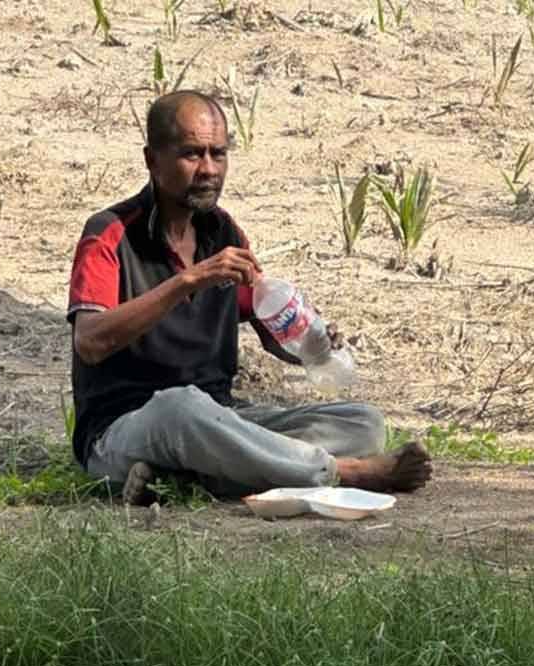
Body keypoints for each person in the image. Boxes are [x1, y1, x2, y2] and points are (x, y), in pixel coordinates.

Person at [66, 90, 432, 505]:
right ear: (152, 160)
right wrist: (187, 282)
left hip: (222, 418)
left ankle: (186, 477)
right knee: (180, 408)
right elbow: (90, 342)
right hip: (123, 429)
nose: (208, 170)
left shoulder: (224, 233)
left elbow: (270, 329)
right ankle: (341, 473)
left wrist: (311, 344)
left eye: (218, 155)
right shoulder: (109, 233)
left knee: (363, 424)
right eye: (192, 155)